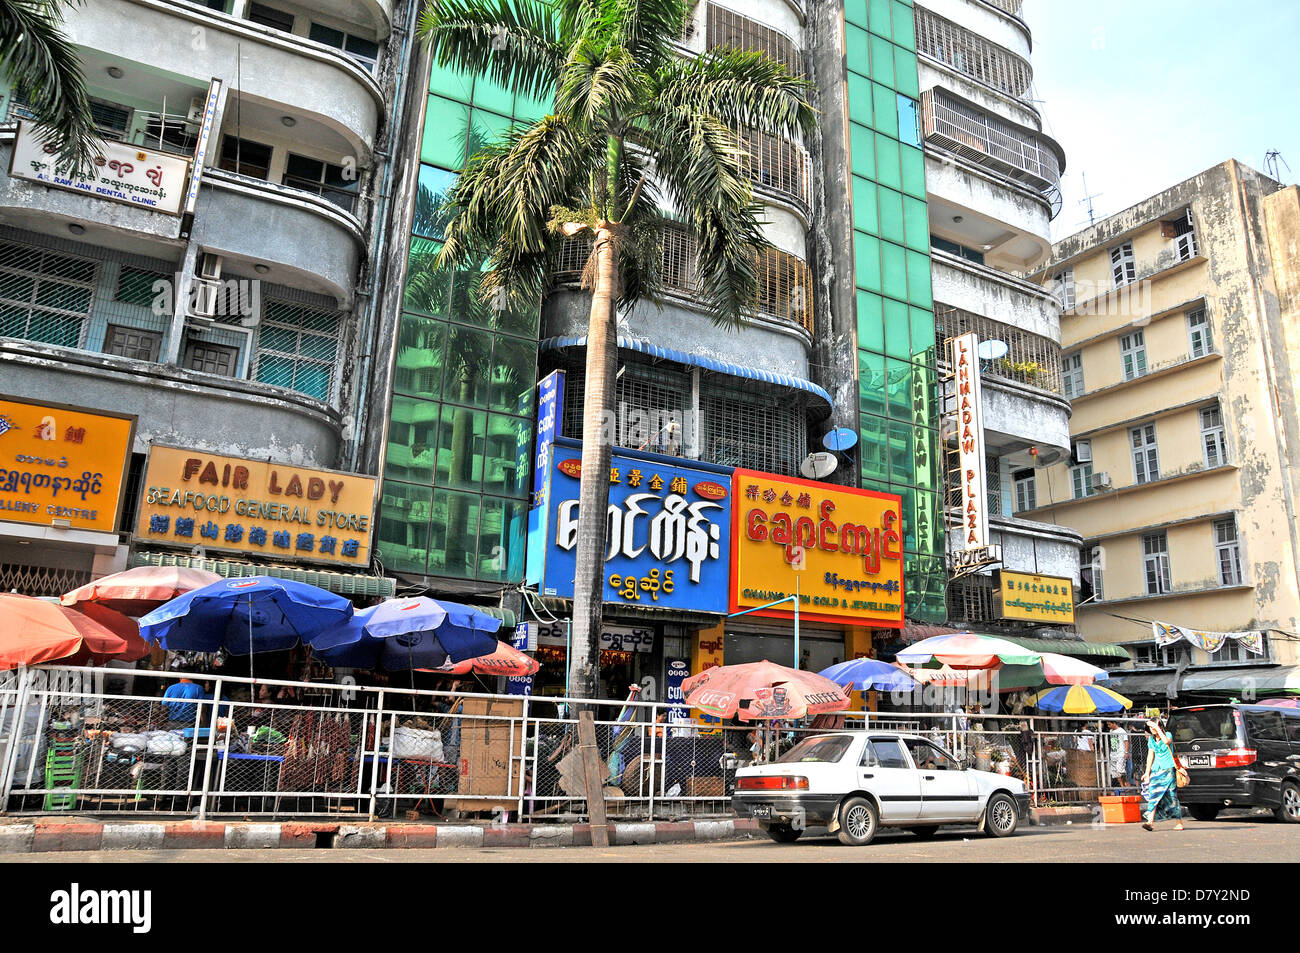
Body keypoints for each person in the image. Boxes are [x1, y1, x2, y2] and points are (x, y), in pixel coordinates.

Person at [1141, 714, 1184, 831]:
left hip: (1169, 769)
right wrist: (1147, 772)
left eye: (1154, 727)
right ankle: (1150, 822)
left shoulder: (1167, 734)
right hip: (1156, 769)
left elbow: (1166, 741)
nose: (1152, 729)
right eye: (1150, 728)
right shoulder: (1151, 739)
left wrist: (1157, 727)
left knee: (1171, 795)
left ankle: (1179, 822)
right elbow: (1150, 756)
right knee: (1153, 793)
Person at [1107, 720, 1129, 788]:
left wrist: (1126, 752)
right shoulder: (1111, 731)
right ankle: (1122, 786)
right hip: (1113, 753)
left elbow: (1126, 742)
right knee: (1115, 772)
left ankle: (1126, 783)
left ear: (1114, 723)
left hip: (1120, 753)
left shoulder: (1121, 731)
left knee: (1120, 770)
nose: (1108, 726)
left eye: (1110, 724)